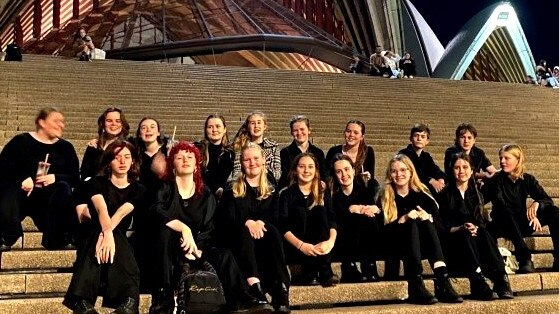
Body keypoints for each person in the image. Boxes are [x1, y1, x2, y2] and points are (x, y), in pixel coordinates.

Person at [149, 141, 272, 314]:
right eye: (179, 157)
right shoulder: (164, 188)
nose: (185, 160)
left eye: (190, 157)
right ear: (172, 164)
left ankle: (243, 299)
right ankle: (163, 297)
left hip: (197, 249)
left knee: (224, 255)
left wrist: (196, 248)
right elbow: (156, 211)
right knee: (164, 233)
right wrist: (183, 228)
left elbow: (209, 227)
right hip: (169, 250)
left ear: (196, 164)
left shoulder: (205, 194)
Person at [64, 140, 145, 314]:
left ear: (133, 161)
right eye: (117, 157)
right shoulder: (95, 182)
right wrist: (106, 233)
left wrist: (107, 233)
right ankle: (130, 300)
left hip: (115, 236)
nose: (122, 161)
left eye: (127, 157)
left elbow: (122, 212)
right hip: (91, 232)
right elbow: (102, 209)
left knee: (116, 235)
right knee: (104, 233)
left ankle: (81, 301)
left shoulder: (138, 189)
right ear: (109, 161)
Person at [380, 154, 462, 304]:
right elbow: (381, 232)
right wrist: (402, 219)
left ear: (411, 172)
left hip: (423, 247)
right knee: (410, 223)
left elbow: (441, 228)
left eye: (403, 170)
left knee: (426, 221)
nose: (399, 174)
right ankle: (416, 283)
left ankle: (443, 279)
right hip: (394, 246)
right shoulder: (385, 196)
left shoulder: (423, 196)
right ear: (390, 175)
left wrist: (428, 218)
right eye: (394, 171)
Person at [218, 143, 290, 313]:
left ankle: (281, 291)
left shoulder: (272, 189)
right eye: (247, 159)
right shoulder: (231, 190)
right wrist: (248, 222)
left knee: (272, 230)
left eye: (256, 158)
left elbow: (276, 218)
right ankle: (254, 288)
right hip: (239, 242)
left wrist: (260, 223)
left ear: (264, 160)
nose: (252, 163)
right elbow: (226, 221)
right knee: (243, 231)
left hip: (265, 240)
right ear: (241, 163)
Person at [0, 107, 79, 251]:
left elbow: (74, 177)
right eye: (56, 121)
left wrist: (55, 177)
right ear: (42, 122)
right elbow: (4, 166)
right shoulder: (20, 141)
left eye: (62, 122)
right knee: (8, 188)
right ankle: (7, 235)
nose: (61, 125)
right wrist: (22, 179)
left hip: (47, 201)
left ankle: (59, 238)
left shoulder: (65, 147)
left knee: (63, 187)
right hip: (21, 196)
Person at [437, 153, 513, 300]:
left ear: (472, 170)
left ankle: (500, 279)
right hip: (455, 247)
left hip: (476, 244)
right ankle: (478, 280)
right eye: (457, 168)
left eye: (465, 167)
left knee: (484, 232)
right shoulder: (444, 195)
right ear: (451, 171)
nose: (461, 171)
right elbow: (442, 228)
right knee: (465, 233)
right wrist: (461, 228)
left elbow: (482, 221)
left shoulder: (477, 194)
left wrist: (476, 228)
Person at [487, 144, 559, 273]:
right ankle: (524, 258)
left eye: (506, 158)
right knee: (507, 212)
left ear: (517, 160)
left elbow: (547, 200)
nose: (502, 162)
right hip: (502, 223)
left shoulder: (527, 179)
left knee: (554, 212)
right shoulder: (496, 180)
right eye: (500, 158)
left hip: (520, 222)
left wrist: (537, 204)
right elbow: (501, 204)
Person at [279, 153, 337, 287]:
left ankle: (324, 270)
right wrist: (302, 246)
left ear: (316, 170)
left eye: (310, 167)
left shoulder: (323, 192)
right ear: (295, 170)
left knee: (319, 211)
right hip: (296, 246)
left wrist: (330, 242)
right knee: (302, 213)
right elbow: (283, 225)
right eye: (302, 166)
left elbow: (332, 218)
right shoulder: (287, 194)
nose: (306, 171)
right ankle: (311, 272)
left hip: (323, 247)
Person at [330, 154, 381, 283]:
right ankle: (349, 266)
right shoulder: (333, 196)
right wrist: (350, 210)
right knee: (353, 218)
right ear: (335, 175)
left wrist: (369, 209)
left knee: (369, 219)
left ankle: (369, 265)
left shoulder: (365, 190)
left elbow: (374, 210)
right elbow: (335, 220)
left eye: (347, 169)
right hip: (343, 242)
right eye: (338, 171)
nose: (344, 174)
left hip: (364, 238)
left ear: (353, 171)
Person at [230, 111, 281, 184]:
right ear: (248, 127)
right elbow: (236, 173)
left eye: (259, 122)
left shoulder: (273, 146)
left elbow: (278, 174)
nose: (256, 126)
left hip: (269, 184)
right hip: (246, 186)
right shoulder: (241, 147)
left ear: (265, 126)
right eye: (252, 123)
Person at [81, 107, 130, 181]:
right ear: (103, 124)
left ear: (122, 124)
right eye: (109, 120)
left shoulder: (128, 146)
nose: (114, 124)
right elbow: (85, 172)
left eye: (118, 121)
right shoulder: (94, 146)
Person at [278, 115, 326, 190]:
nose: (299, 133)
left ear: (309, 130)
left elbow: (323, 176)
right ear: (291, 133)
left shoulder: (318, 153)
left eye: (302, 129)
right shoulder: (285, 153)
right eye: (295, 130)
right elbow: (284, 177)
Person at [325, 120, 377, 188]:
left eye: (356, 133)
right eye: (348, 131)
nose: (351, 135)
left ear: (362, 137)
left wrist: (367, 177)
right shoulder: (333, 151)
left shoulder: (368, 151)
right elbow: (327, 176)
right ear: (344, 133)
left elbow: (371, 177)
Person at [399, 123, 446, 194]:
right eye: (416, 136)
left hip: (423, 188)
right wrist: (431, 180)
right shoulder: (403, 154)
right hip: (409, 189)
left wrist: (441, 179)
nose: (419, 139)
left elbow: (435, 169)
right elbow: (412, 173)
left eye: (423, 136)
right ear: (411, 138)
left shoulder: (426, 156)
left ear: (427, 141)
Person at [196, 114, 234, 198]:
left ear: (224, 129)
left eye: (218, 126)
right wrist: (216, 188)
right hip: (203, 196)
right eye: (210, 127)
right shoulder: (198, 149)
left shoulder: (231, 152)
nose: (214, 130)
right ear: (206, 130)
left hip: (225, 197)